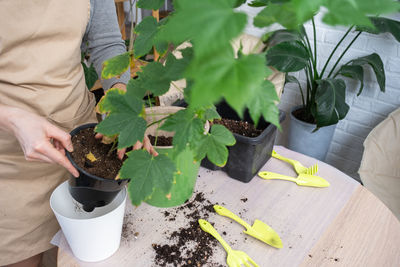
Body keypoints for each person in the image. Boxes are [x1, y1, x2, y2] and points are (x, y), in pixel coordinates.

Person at [0, 0, 154, 266]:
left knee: (84, 254)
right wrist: (11, 118)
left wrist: (122, 103)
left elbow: (106, 43)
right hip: (11, 161)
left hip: (81, 143)